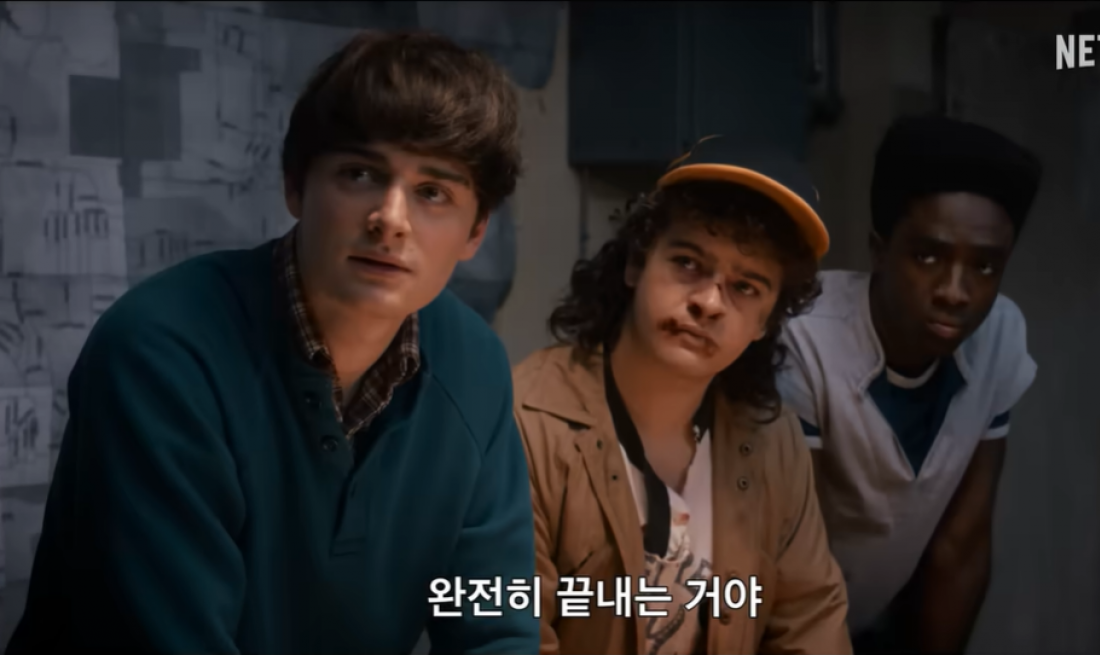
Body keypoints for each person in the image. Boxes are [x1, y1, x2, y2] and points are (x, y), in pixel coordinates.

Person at [8, 31, 539, 654]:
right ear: (295, 185)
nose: (391, 219)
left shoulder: (473, 367)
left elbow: (494, 621)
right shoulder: (161, 352)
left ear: (475, 232)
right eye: (360, 173)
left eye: (432, 192)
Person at [513, 137, 853, 655]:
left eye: (746, 287)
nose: (710, 302)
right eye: (689, 263)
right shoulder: (526, 421)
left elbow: (812, 624)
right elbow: (505, 632)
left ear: (765, 322)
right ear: (636, 263)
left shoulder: (773, 441)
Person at [776, 114, 1042, 654]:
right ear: (879, 250)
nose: (955, 291)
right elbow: (794, 556)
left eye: (985, 267)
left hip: (870, 621)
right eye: (927, 256)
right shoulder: (803, 338)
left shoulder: (999, 335)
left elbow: (961, 547)